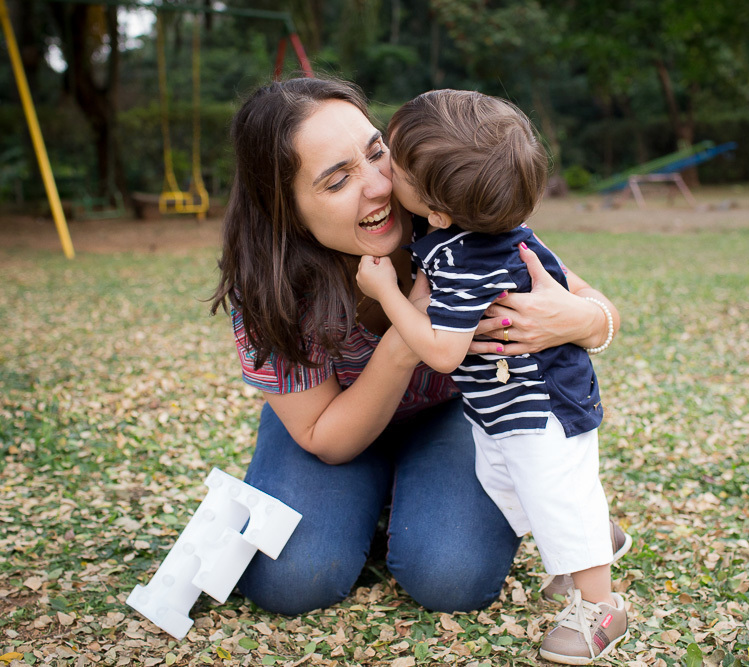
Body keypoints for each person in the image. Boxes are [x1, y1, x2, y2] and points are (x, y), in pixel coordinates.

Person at [208, 75, 622, 636]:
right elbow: (327, 439)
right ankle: (376, 497)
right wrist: (405, 343)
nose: (379, 186)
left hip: (456, 413)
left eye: (377, 152)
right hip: (334, 422)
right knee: (291, 580)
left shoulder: (443, 209)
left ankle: (428, 497)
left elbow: (588, 298)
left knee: (453, 577)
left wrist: (587, 320)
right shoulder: (268, 291)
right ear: (284, 205)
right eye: (337, 180)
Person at [355, 89, 628, 665]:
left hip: (539, 400)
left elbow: (442, 352)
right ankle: (591, 536)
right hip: (503, 401)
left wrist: (387, 292)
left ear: (436, 210)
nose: (385, 173)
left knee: (552, 490)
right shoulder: (474, 231)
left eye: (395, 165)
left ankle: (601, 606)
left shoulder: (463, 259)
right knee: (508, 485)